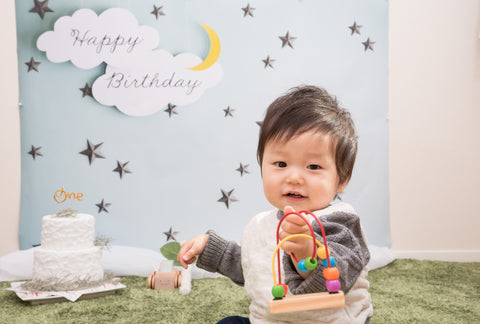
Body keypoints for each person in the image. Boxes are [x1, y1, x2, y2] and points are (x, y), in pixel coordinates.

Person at [177, 85, 373, 324]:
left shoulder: (341, 221)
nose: (293, 177)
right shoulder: (261, 224)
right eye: (280, 164)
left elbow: (341, 274)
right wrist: (211, 248)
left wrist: (306, 251)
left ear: (341, 179)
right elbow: (255, 268)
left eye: (313, 167)